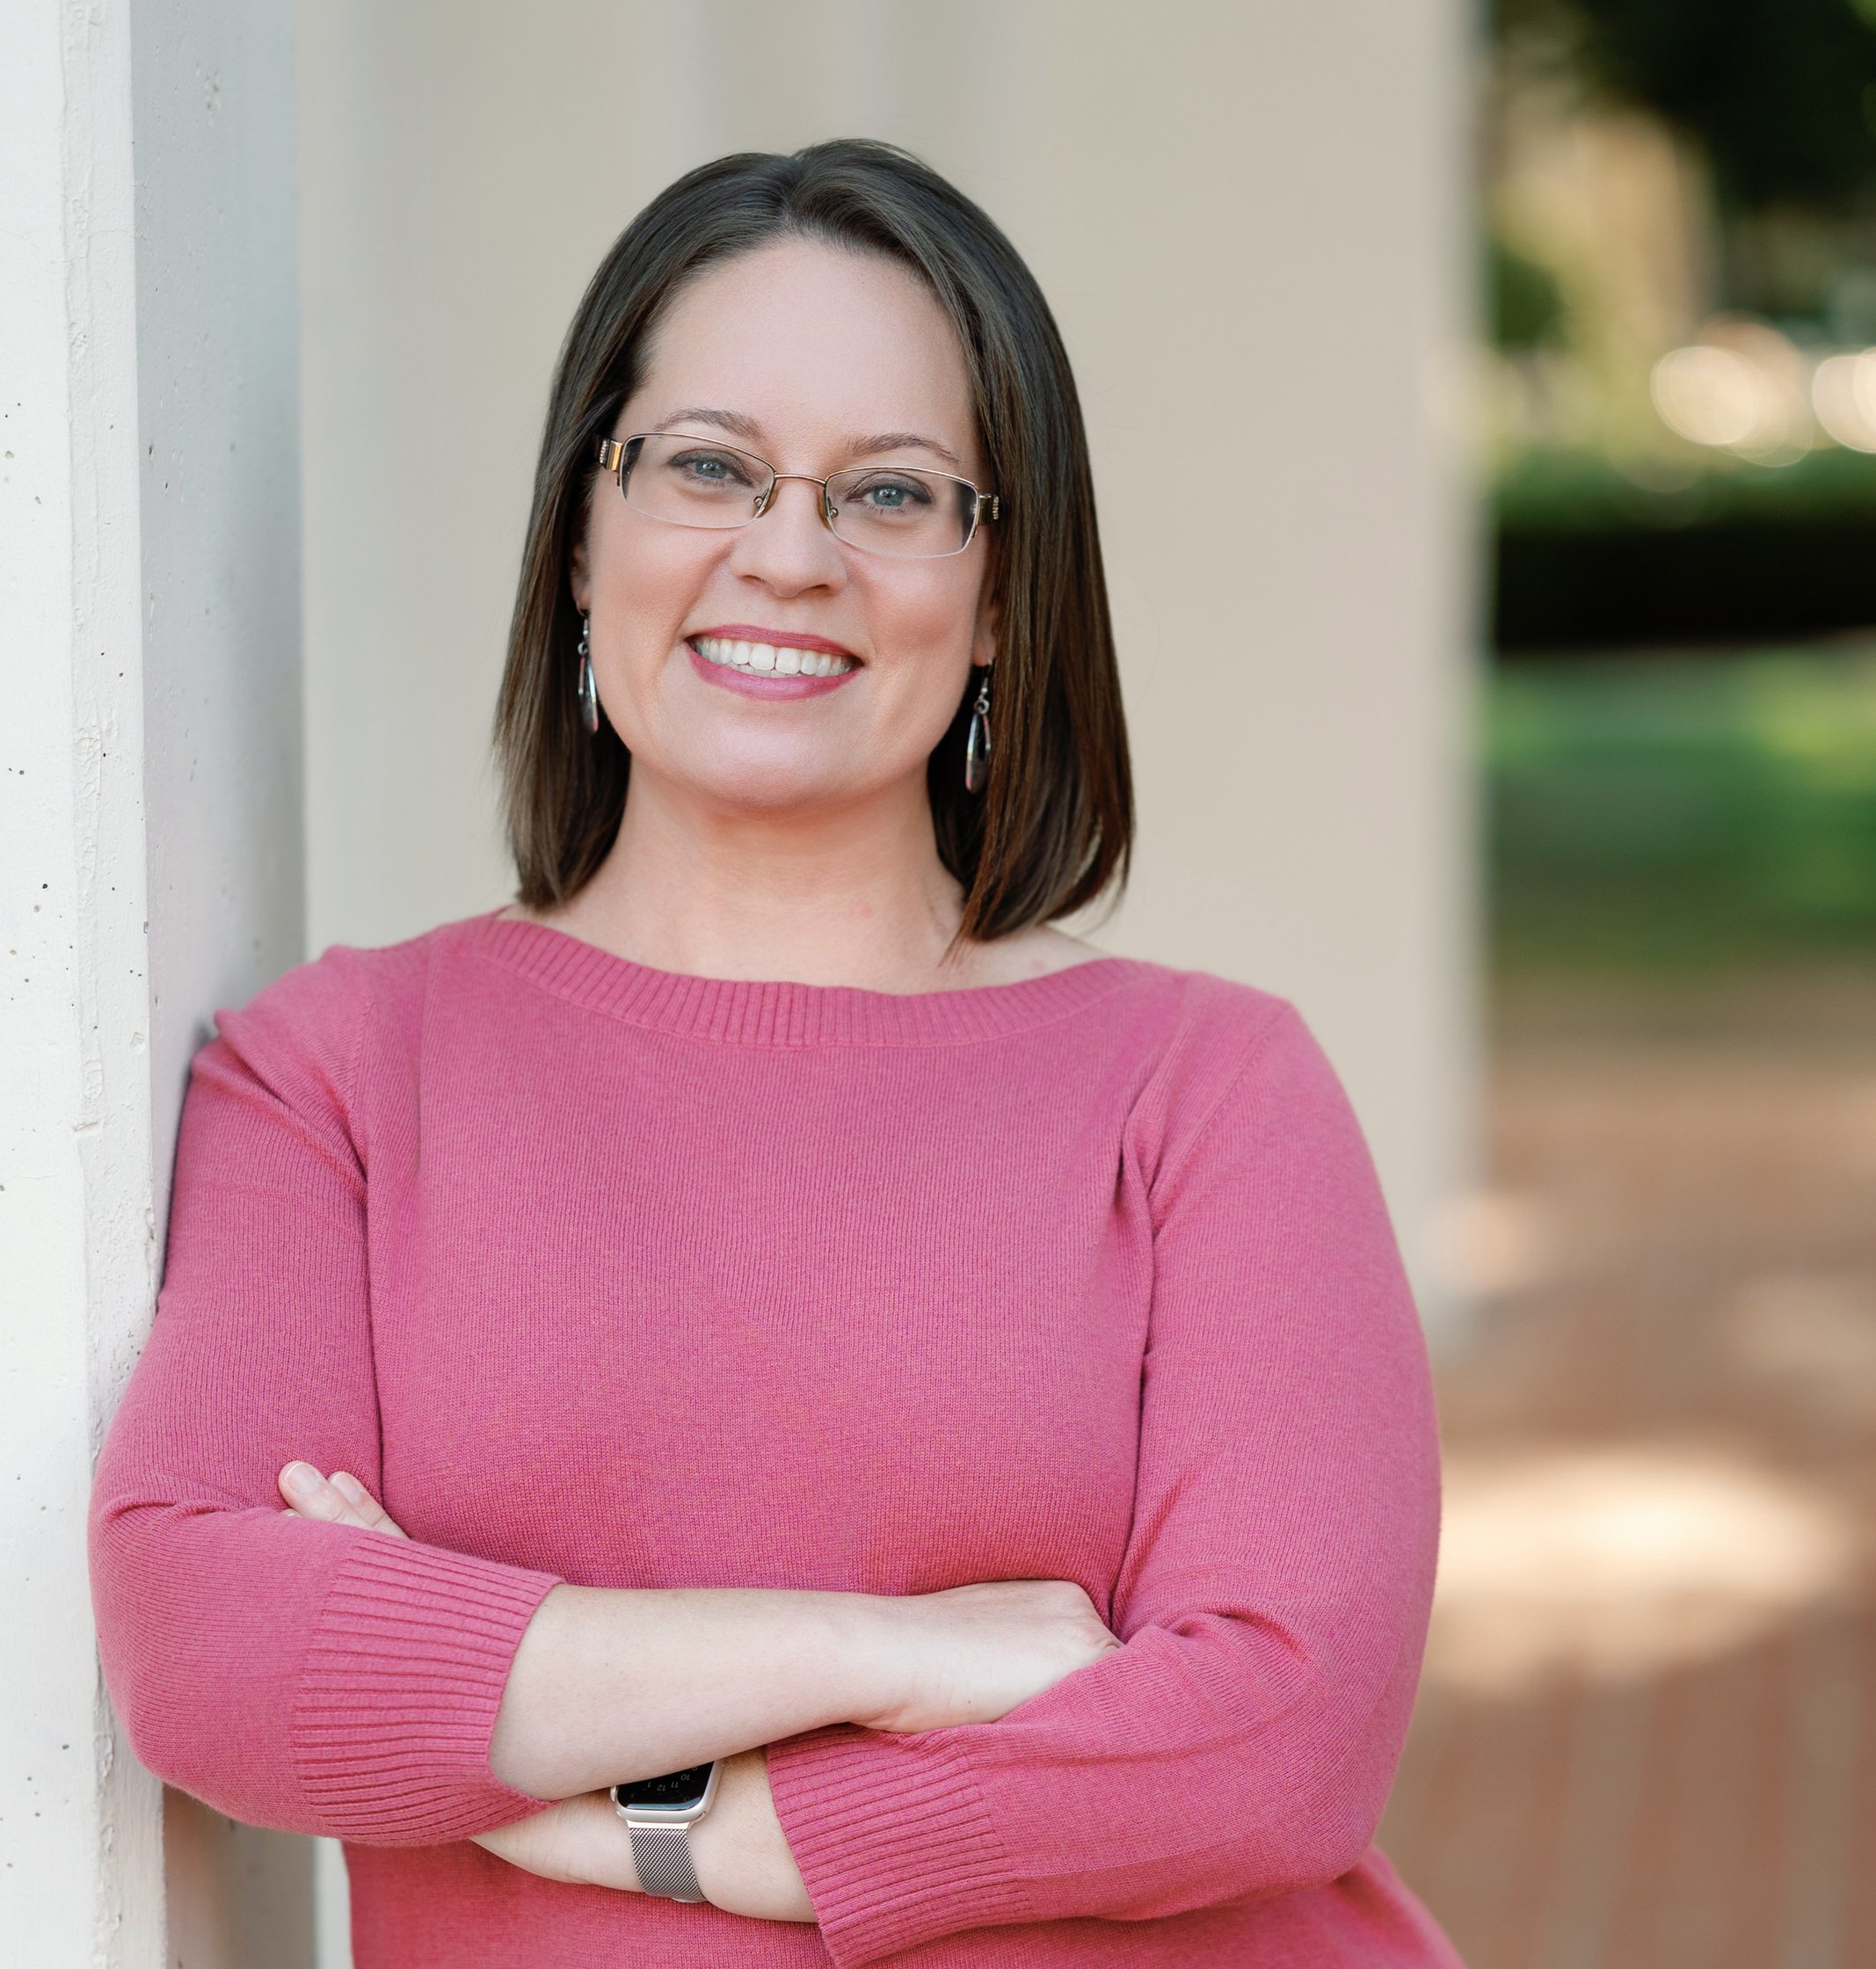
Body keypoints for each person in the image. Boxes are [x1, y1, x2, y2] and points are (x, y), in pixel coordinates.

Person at [88, 139, 1460, 1967]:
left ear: (995, 597)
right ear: (584, 537)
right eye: (708, 466)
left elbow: (1273, 1742)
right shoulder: (337, 1075)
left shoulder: (1204, 1089)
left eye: (891, 493)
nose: (788, 554)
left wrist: (625, 1787)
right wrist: (885, 1653)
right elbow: (208, 1640)